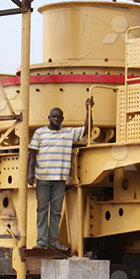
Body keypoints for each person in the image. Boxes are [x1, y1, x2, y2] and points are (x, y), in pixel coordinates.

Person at [28, 97, 93, 251]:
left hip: (60, 179)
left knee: (56, 211)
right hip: (43, 178)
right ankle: (41, 242)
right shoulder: (40, 133)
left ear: (62, 119)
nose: (56, 119)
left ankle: (53, 242)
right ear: (49, 118)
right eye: (54, 116)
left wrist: (88, 109)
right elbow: (32, 153)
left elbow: (87, 129)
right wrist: (30, 173)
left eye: (59, 117)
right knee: (42, 210)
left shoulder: (68, 133)